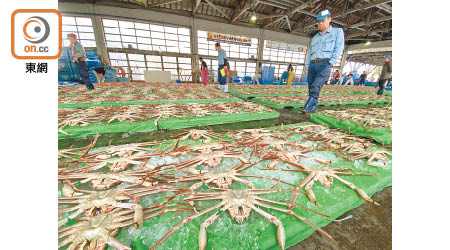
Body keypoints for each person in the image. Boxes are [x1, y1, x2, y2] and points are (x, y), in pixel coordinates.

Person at [303, 9, 344, 113]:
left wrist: (331, 62)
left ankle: (307, 107)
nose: (320, 23)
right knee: (311, 86)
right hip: (313, 64)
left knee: (316, 86)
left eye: (323, 20)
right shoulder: (315, 37)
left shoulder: (337, 32)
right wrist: (307, 66)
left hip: (325, 64)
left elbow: (339, 48)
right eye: (319, 21)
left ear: (329, 19)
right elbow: (310, 52)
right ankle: (313, 107)